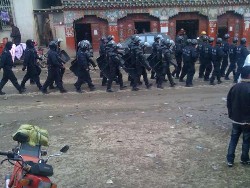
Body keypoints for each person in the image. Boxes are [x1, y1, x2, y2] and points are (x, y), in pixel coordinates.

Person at [226, 66, 250, 167]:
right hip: (247, 121)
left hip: (236, 119)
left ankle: (230, 159)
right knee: (246, 141)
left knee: (233, 139)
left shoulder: (235, 87)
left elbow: (229, 102)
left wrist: (231, 114)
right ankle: (244, 159)